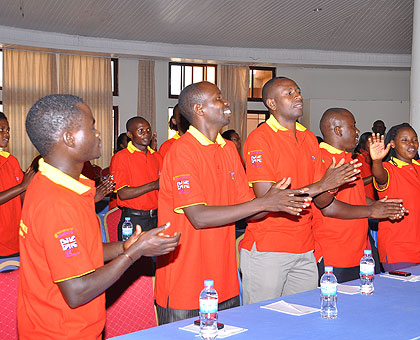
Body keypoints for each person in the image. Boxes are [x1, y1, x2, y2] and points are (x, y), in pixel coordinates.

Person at [18, 94, 180, 340]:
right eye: (91, 126)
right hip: (59, 333)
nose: (98, 133)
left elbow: (84, 251)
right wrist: (133, 253)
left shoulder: (68, 186)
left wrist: (127, 245)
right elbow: (77, 291)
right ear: (69, 138)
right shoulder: (55, 201)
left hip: (79, 329)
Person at [155, 81, 315, 324]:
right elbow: (199, 217)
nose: (226, 103)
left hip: (224, 280)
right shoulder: (181, 151)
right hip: (185, 280)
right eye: (218, 98)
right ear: (199, 109)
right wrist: (264, 203)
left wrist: (275, 201)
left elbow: (251, 210)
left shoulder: (228, 149)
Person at [241, 77, 405, 304]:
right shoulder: (260, 138)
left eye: (298, 91)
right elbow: (268, 199)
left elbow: (322, 199)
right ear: (272, 103)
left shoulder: (308, 139)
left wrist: (338, 187)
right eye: (289, 93)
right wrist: (326, 185)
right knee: (264, 319)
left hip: (306, 245)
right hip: (271, 246)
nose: (298, 96)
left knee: (305, 317)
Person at [312, 108, 403, 282]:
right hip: (334, 253)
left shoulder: (348, 158)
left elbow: (357, 197)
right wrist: (371, 211)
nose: (357, 131)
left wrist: (383, 206)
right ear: (338, 130)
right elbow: (328, 207)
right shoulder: (321, 158)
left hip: (358, 250)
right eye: (353, 126)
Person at [369, 123, 420, 271]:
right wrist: (377, 161)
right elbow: (380, 176)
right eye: (405, 140)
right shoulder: (388, 169)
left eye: (414, 139)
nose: (411, 144)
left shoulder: (417, 167)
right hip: (399, 250)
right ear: (392, 144)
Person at [110, 116, 162, 239]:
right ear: (129, 134)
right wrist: (154, 185)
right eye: (140, 131)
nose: (146, 134)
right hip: (133, 220)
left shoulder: (157, 157)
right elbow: (123, 193)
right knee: (133, 257)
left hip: (156, 218)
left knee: (156, 258)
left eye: (148, 130)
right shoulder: (121, 157)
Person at [0, 112, 35, 258]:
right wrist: (22, 186)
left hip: (16, 238)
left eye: (8, 130)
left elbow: (23, 195)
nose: (6, 134)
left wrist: (32, 185)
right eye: (1, 130)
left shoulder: (11, 160)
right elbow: (21, 187)